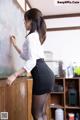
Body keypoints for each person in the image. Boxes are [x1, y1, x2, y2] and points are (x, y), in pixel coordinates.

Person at [7, 8, 55, 120]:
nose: (24, 22)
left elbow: (32, 61)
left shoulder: (31, 37)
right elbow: (26, 56)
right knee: (42, 113)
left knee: (36, 113)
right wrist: (15, 45)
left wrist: (14, 75)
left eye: (25, 20)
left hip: (41, 76)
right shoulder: (35, 36)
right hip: (47, 75)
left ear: (30, 21)